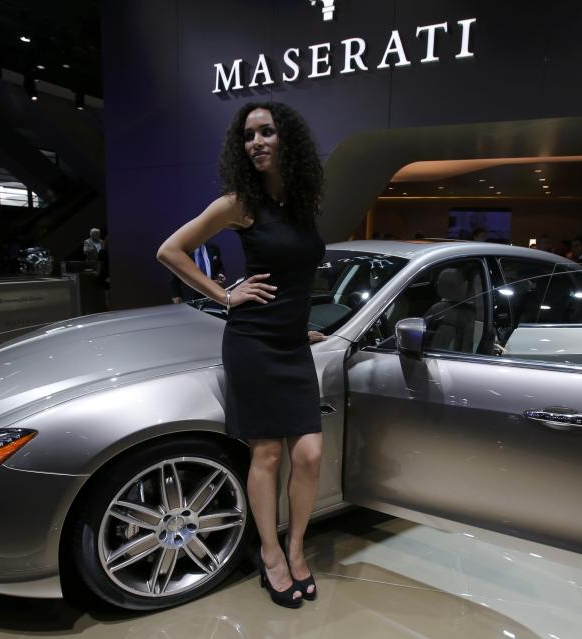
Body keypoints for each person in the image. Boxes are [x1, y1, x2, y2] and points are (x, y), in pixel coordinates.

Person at [157, 102, 325, 608]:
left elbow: (297, 275)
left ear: (286, 141)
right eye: (249, 135)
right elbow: (171, 250)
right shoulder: (237, 204)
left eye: (267, 132)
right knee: (268, 453)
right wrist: (225, 295)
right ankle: (271, 555)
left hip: (292, 344)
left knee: (310, 454)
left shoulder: (302, 203)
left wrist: (301, 328)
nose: (257, 142)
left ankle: (297, 548)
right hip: (252, 342)